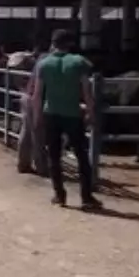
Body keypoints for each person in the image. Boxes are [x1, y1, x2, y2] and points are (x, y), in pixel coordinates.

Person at [32, 29, 101, 209]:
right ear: (70, 44)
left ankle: (59, 195)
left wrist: (37, 116)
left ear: (53, 44)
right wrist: (91, 112)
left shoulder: (43, 64)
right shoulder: (79, 62)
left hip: (51, 113)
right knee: (81, 156)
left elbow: (37, 94)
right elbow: (87, 91)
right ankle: (86, 197)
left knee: (54, 155)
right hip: (72, 113)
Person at [16, 45, 51, 177]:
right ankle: (41, 167)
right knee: (38, 134)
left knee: (26, 132)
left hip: (27, 96)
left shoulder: (42, 58)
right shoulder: (50, 62)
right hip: (36, 98)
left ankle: (23, 164)